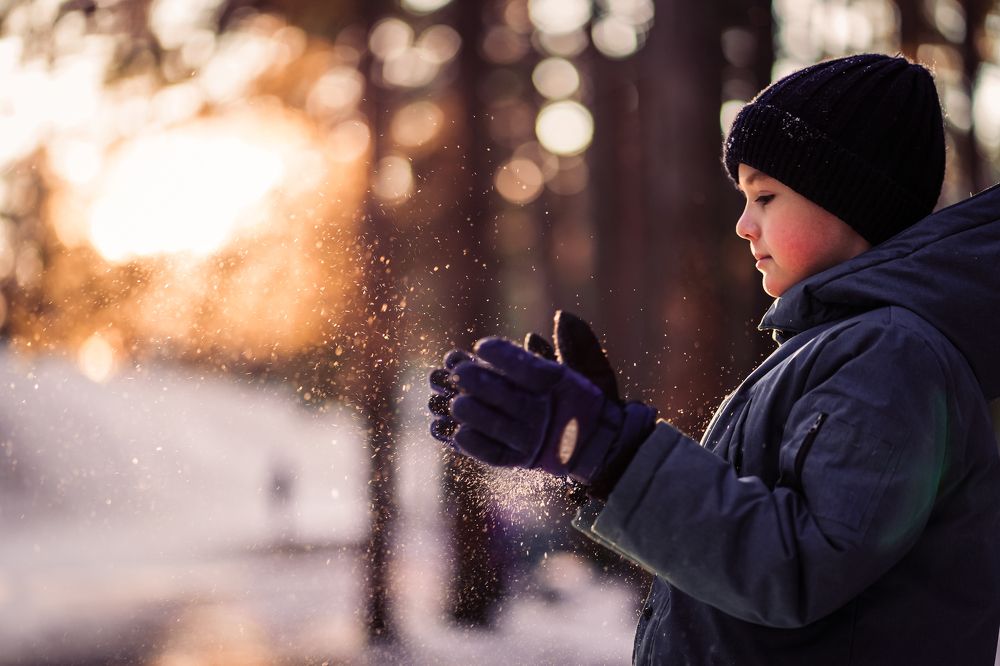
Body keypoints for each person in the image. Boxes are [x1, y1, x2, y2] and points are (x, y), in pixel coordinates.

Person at [427, 53, 1000, 665]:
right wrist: (593, 458)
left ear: (851, 201)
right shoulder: (836, 349)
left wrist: (612, 451)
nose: (743, 225)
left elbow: (799, 566)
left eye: (766, 196)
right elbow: (737, 548)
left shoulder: (890, 356)